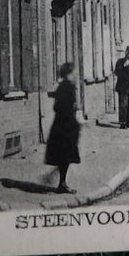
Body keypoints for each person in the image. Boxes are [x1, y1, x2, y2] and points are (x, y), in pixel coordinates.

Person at [44, 62, 81, 193]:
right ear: (69, 73)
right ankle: (62, 184)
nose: (76, 74)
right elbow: (64, 106)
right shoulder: (69, 87)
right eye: (74, 72)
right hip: (66, 125)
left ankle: (62, 183)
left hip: (60, 124)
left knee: (62, 155)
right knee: (65, 155)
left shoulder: (62, 86)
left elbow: (55, 106)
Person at [113, 46, 129, 128]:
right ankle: (122, 122)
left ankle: (128, 121)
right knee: (123, 105)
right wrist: (124, 66)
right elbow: (116, 72)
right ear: (125, 53)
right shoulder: (120, 62)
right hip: (123, 87)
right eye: (128, 53)